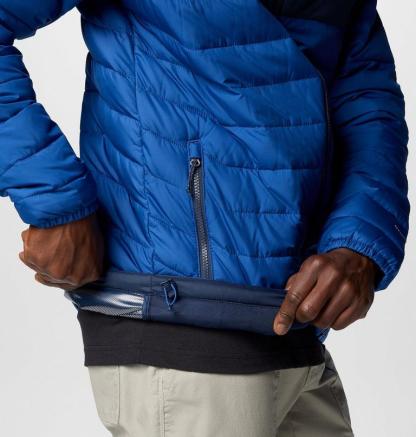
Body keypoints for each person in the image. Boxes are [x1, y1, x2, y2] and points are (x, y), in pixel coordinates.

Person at [0, 0, 409, 436]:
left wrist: (358, 244)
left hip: (296, 331)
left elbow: (367, 96)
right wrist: (55, 199)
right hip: (177, 318)